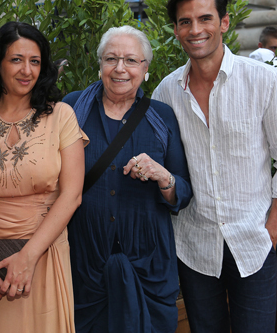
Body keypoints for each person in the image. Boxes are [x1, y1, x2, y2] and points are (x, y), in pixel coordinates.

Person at [152, 0, 277, 333]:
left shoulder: (265, 82)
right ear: (176, 30)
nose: (195, 30)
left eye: (205, 19)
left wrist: (271, 233)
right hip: (193, 247)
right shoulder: (166, 92)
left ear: (223, 22)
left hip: (254, 244)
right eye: (185, 22)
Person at [63, 25, 193, 333]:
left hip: (149, 264)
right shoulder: (71, 109)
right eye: (111, 59)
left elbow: (183, 193)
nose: (120, 68)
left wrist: (163, 176)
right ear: (100, 65)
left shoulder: (161, 116)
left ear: (146, 69)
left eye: (131, 60)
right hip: (84, 264)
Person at [0, 21, 86, 333]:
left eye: (35, 62)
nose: (26, 70)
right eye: (16, 60)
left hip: (43, 255)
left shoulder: (60, 116)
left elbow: (72, 195)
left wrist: (27, 258)